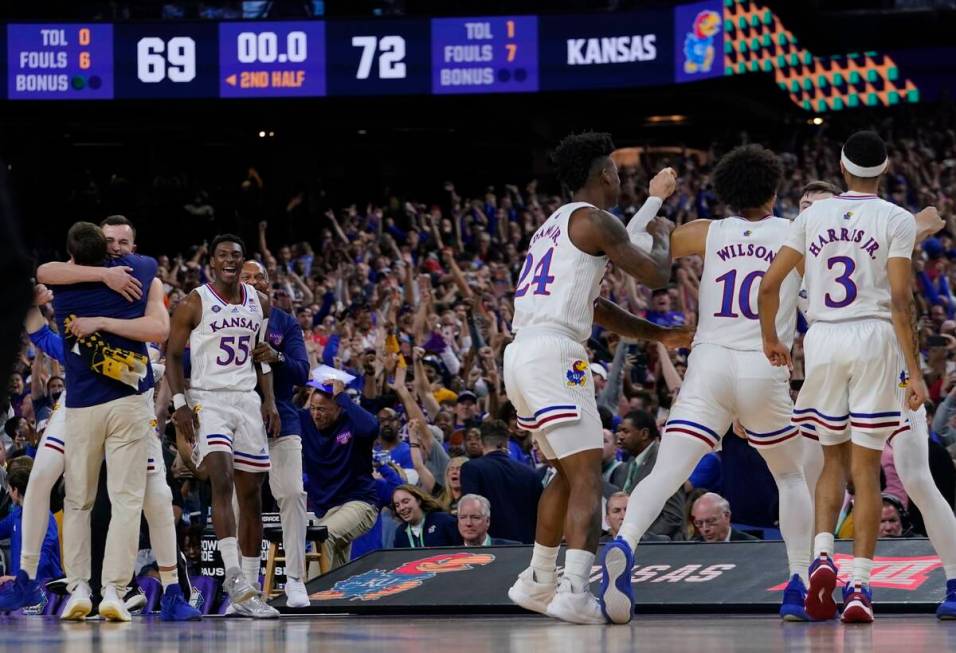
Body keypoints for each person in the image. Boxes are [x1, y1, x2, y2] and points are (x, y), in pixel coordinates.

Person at [600, 144, 813, 625]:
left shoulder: (709, 232)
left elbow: (628, 244)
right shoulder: (797, 231)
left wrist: (655, 198)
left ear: (726, 192)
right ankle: (797, 585)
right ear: (775, 190)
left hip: (709, 364)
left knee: (665, 473)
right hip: (763, 363)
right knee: (791, 476)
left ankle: (624, 543)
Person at [503, 131, 691, 625]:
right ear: (605, 173)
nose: (619, 177)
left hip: (522, 352)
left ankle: (537, 580)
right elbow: (655, 275)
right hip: (555, 354)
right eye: (616, 171)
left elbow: (597, 304)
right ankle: (574, 592)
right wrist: (666, 227)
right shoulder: (594, 220)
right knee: (587, 475)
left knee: (565, 473)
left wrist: (658, 335)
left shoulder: (554, 225)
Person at [759, 130, 925, 624]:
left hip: (824, 338)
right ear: (887, 167)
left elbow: (770, 284)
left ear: (842, 165)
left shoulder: (810, 217)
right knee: (866, 469)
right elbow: (900, 301)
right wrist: (913, 371)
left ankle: (824, 553)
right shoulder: (896, 219)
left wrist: (773, 339)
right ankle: (859, 585)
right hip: (874, 337)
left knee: (830, 461)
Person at [797, 181, 956, 619]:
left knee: (915, 477)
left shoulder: (871, 227)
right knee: (816, 475)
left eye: (818, 204)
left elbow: (914, 232)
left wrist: (921, 225)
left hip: (888, 363)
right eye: (804, 206)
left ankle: (954, 580)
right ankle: (812, 577)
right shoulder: (801, 251)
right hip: (839, 366)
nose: (810, 211)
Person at [34, 222, 167, 622]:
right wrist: (108, 275)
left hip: (84, 405)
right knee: (127, 500)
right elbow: (159, 328)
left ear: (73, 253)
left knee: (78, 499)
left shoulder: (66, 285)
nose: (116, 248)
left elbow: (44, 273)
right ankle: (112, 588)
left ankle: (79, 586)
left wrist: (97, 314)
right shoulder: (141, 270)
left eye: (121, 242)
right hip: (126, 399)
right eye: (110, 242)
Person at [167, 233, 281, 619]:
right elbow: (171, 355)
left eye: (236, 255)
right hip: (208, 397)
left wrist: (270, 401)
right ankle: (233, 575)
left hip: (247, 400)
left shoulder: (260, 302)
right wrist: (180, 403)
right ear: (212, 262)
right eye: (223, 255)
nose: (230, 260)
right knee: (221, 476)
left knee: (252, 494)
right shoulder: (193, 303)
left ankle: (248, 592)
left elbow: (261, 357)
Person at [239, 259, 311, 608]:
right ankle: (244, 585)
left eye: (260, 278)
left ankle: (295, 580)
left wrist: (278, 356)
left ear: (270, 283)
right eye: (246, 277)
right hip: (238, 418)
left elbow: (302, 372)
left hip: (282, 417)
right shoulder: (223, 317)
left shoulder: (286, 322)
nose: (254, 283)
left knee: (293, 493)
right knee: (241, 503)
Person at [300, 380, 379, 569]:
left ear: (339, 408)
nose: (316, 415)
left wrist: (343, 397)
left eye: (322, 410)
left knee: (322, 537)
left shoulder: (352, 422)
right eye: (313, 408)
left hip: (359, 502)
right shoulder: (305, 421)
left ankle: (313, 599)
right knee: (335, 565)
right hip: (325, 508)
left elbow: (371, 427)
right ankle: (334, 597)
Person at [459, 420, 542, 544]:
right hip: (526, 549)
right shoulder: (531, 473)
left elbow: (471, 511)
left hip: (491, 552)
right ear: (506, 443)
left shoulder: (471, 469)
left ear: (481, 443)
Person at [609, 411, 684, 540]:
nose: (620, 436)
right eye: (619, 431)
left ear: (644, 434)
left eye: (625, 431)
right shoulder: (627, 465)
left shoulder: (664, 460)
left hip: (661, 548)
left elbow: (673, 516)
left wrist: (642, 539)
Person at [0, 457, 63, 604]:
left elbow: (45, 557)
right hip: (21, 589)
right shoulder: (15, 514)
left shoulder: (44, 516)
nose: (8, 492)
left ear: (15, 490)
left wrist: (19, 577)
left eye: (9, 488)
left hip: (46, 592)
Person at [391, 485, 460, 548]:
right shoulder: (400, 532)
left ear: (418, 501)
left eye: (405, 502)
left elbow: (461, 549)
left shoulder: (443, 520)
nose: (401, 508)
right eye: (397, 505)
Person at [690, 493, 758, 542]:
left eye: (710, 521)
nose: (705, 529)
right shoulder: (692, 549)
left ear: (727, 516)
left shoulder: (751, 545)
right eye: (699, 523)